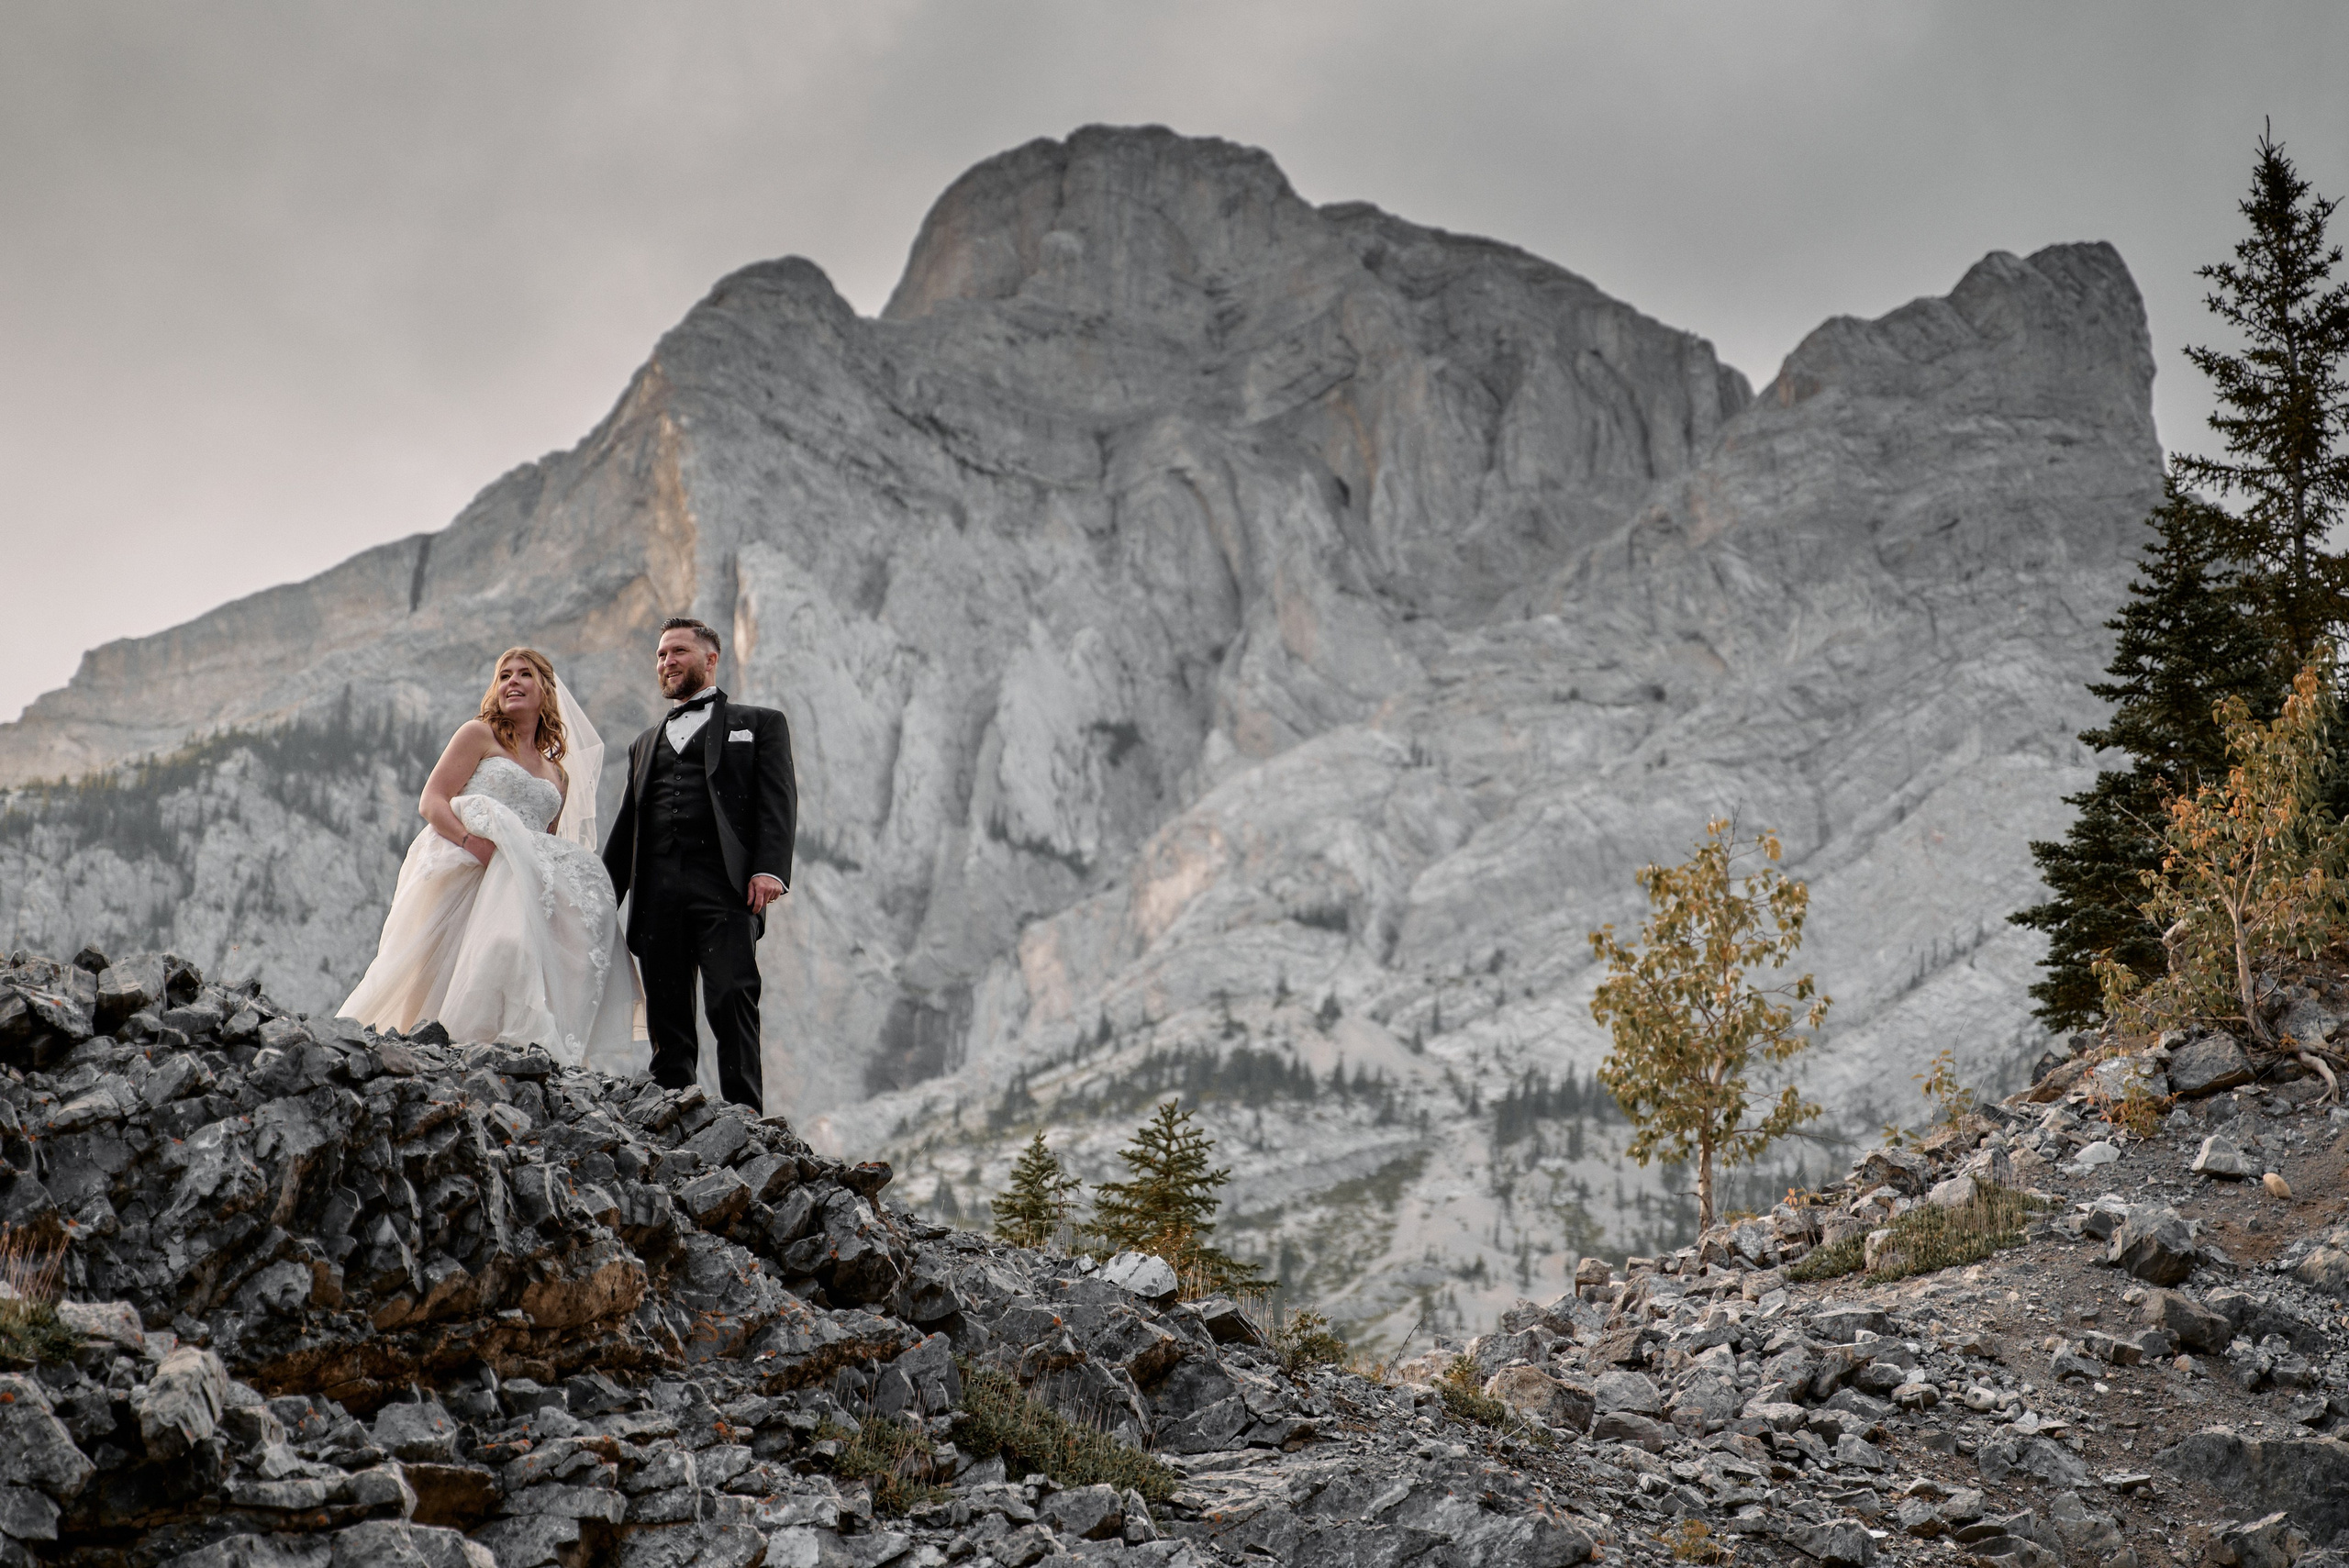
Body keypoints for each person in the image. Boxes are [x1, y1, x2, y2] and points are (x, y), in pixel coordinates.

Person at [339, 648, 640, 1068]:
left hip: (518, 881)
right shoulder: (478, 735)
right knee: (439, 969)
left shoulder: (558, 774)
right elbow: (432, 800)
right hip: (466, 864)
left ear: (546, 690)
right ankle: (426, 1054)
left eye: (524, 675)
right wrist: (470, 842)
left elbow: (543, 842)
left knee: (513, 952)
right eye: (504, 676)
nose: (512, 682)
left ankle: (502, 1057)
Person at [601, 617, 796, 1110]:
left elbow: (777, 802)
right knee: (666, 1007)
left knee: (731, 994)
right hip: (658, 889)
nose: (667, 662)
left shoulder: (760, 723)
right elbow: (630, 825)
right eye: (662, 654)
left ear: (710, 660)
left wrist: (770, 868)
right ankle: (673, 1103)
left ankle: (745, 1114)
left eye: (679, 652)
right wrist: (601, 894)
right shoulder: (644, 743)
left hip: (726, 886)